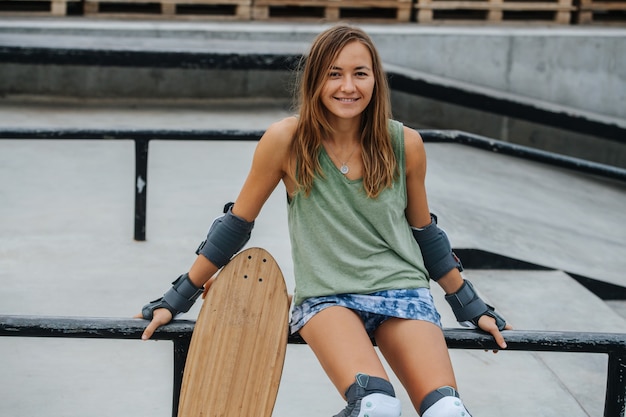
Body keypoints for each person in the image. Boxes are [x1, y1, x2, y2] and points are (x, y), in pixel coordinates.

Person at [137, 24, 511, 417]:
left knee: (447, 412)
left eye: (359, 73)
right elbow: (235, 226)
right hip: (328, 298)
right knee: (376, 407)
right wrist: (177, 298)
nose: (348, 86)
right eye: (334, 73)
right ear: (315, 80)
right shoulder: (287, 140)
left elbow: (425, 234)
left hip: (402, 290)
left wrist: (470, 305)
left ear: (375, 80)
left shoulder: (405, 144)